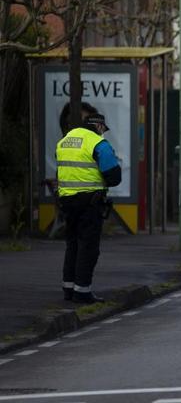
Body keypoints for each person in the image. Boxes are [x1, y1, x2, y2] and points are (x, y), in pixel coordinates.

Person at [56, 108, 121, 303]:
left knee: (72, 244)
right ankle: (82, 292)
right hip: (89, 202)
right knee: (88, 247)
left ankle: (68, 288)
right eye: (103, 129)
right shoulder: (98, 143)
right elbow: (114, 177)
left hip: (67, 201)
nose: (103, 132)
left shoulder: (65, 141)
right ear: (99, 126)